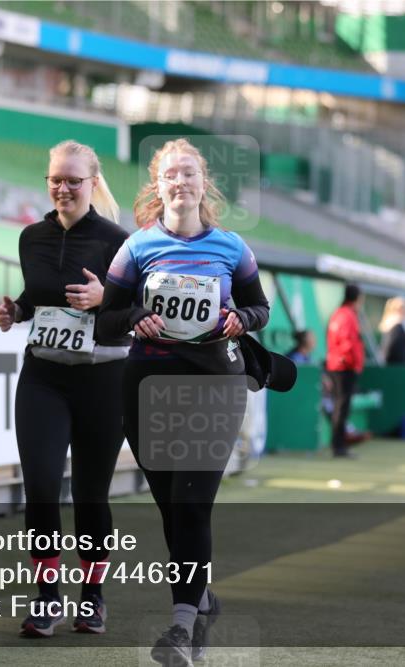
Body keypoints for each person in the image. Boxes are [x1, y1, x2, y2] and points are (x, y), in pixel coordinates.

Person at [97, 138, 270, 666]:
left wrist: (241, 319)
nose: (181, 182)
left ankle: (179, 629)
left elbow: (260, 308)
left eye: (189, 173)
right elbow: (105, 321)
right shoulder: (136, 248)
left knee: (193, 503)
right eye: (171, 174)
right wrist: (133, 319)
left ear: (203, 182)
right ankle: (200, 600)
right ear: (158, 184)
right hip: (148, 388)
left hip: (215, 385)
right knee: (172, 507)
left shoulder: (233, 248)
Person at [0, 140, 130, 637]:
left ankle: (92, 597)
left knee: (92, 494)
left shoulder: (119, 241)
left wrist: (104, 298)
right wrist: (17, 312)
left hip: (103, 380)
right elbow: (38, 297)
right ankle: (47, 597)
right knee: (42, 489)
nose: (64, 188)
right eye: (56, 179)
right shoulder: (31, 237)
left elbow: (136, 317)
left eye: (74, 180)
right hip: (43, 378)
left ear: (93, 183)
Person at [325, 284, 365, 459]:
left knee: (340, 406)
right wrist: (352, 362)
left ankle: (339, 445)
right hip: (344, 367)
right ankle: (339, 446)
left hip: (338, 365)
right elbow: (348, 342)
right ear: (357, 298)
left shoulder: (339, 314)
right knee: (342, 407)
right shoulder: (347, 315)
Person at [378, 296, 405, 366]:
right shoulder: (396, 327)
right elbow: (392, 349)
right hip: (397, 368)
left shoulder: (391, 325)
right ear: (401, 310)